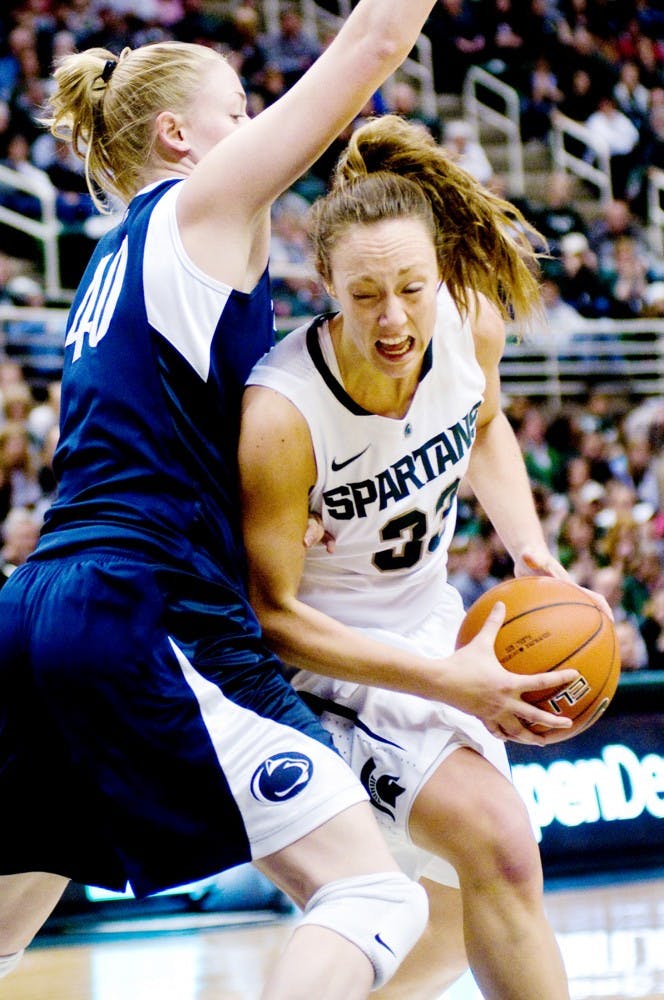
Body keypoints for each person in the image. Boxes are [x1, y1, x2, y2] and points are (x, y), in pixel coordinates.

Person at [0, 6, 448, 993]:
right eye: (240, 108)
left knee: (7, 915)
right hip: (141, 604)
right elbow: (373, 43)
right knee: (375, 895)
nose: (255, 125)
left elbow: (171, 437)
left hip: (40, 604)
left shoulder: (112, 258)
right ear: (179, 135)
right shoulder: (200, 203)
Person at [240, 114, 598, 999]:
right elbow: (273, 615)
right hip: (331, 666)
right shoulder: (283, 415)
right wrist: (445, 684)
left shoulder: (469, 323)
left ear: (443, 270)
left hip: (435, 626)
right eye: (366, 295)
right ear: (322, 281)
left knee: (443, 927)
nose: (395, 317)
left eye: (413, 286)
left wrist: (531, 552)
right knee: (502, 842)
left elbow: (485, 428)